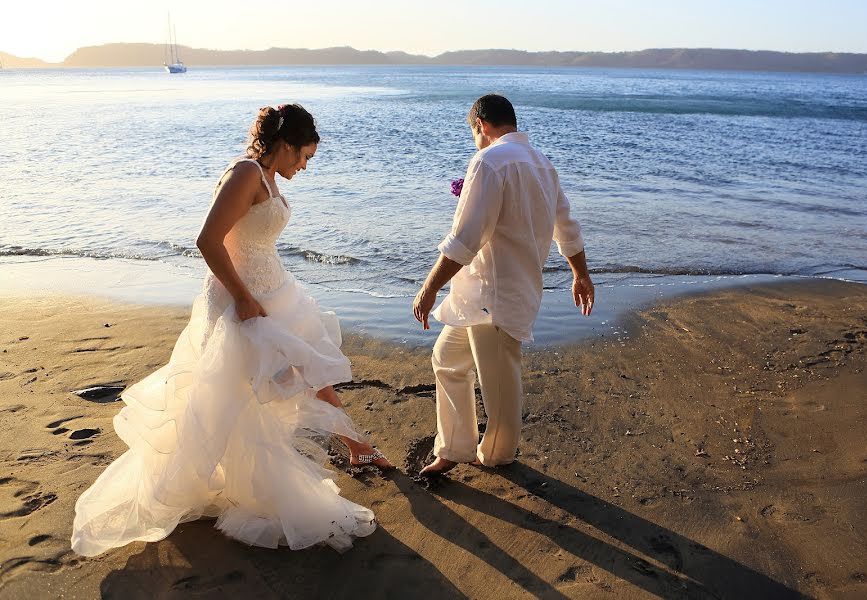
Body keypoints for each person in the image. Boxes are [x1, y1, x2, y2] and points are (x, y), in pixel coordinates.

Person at [71, 103, 391, 557]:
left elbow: (253, 238)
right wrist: (242, 297)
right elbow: (208, 239)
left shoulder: (269, 178)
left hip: (273, 292)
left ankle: (357, 446)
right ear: (285, 144)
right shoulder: (244, 174)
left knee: (303, 367)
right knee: (247, 392)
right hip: (242, 302)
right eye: (304, 157)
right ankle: (318, 459)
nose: (304, 167)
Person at [413, 94, 594, 475]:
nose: (474, 140)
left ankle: (498, 455)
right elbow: (568, 228)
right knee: (447, 360)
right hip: (497, 290)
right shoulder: (542, 163)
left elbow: (465, 239)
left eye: (472, 132)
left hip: (494, 294)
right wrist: (581, 274)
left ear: (481, 124)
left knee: (500, 385)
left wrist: (429, 288)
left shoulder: (489, 160)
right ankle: (453, 448)